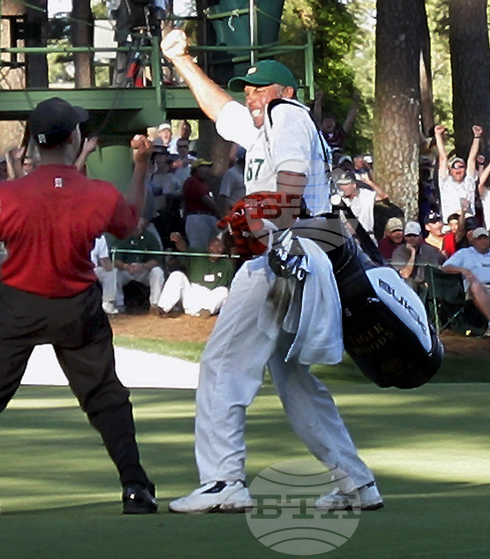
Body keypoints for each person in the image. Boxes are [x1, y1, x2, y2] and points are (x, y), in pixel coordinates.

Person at [162, 29, 382, 514]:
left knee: (222, 365)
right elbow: (220, 110)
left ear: (285, 93)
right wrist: (182, 60)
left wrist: (264, 229)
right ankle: (356, 483)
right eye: (248, 88)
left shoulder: (287, 116)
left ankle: (223, 481)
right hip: (303, 257)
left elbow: (291, 181)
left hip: (283, 258)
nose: (251, 95)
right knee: (294, 378)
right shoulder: (265, 124)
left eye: (260, 89)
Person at [0, 97, 158, 515]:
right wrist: (141, 165)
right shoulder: (97, 192)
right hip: (76, 307)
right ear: (75, 138)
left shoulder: (7, 194)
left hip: (16, 306)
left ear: (32, 143)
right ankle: (135, 486)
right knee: (105, 398)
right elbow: (132, 221)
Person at [157, 235, 235, 317]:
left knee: (224, 291)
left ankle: (206, 312)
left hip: (209, 299)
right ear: (207, 247)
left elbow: (229, 287)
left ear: (223, 250)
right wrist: (178, 239)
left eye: (219, 247)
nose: (216, 249)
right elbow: (183, 248)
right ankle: (163, 308)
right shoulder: (197, 255)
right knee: (177, 275)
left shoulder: (227, 265)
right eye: (213, 246)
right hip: (192, 294)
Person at [434, 124, 481, 224]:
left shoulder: (469, 181)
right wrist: (438, 135)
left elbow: (471, 159)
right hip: (450, 225)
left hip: (469, 223)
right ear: (450, 171)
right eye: (454, 167)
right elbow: (443, 158)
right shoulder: (445, 181)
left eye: (461, 166)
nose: (458, 169)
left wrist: (477, 137)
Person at [391, 220, 443, 292]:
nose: (412, 238)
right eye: (409, 235)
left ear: (420, 236)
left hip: (426, 286)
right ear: (404, 237)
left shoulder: (429, 250)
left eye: (415, 235)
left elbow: (436, 270)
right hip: (406, 288)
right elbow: (405, 275)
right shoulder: (398, 252)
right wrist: (413, 253)